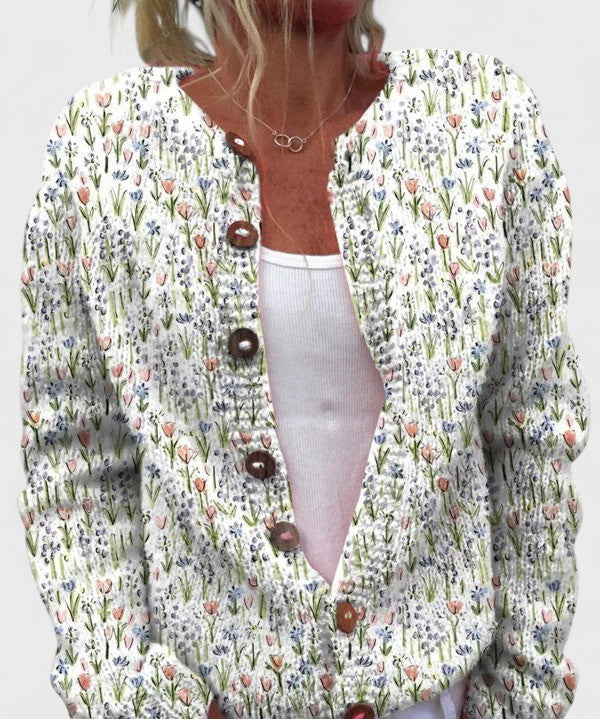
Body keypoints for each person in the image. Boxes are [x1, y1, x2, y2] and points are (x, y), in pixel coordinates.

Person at [17, 1, 590, 719]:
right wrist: (131, 695)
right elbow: (74, 455)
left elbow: (530, 433)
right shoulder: (104, 148)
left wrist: (522, 697)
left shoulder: (479, 124)